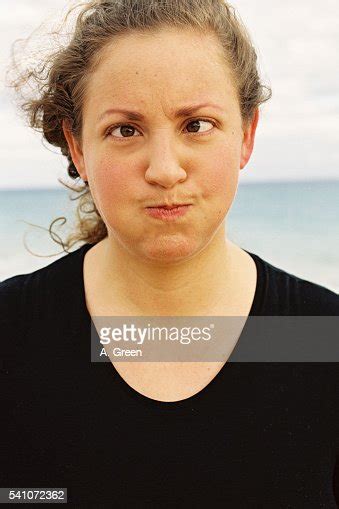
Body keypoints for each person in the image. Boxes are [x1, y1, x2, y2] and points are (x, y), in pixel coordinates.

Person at [1, 0, 338, 507]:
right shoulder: (11, 335)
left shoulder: (322, 338)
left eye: (196, 125)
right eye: (125, 130)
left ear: (246, 134)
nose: (164, 170)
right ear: (77, 147)